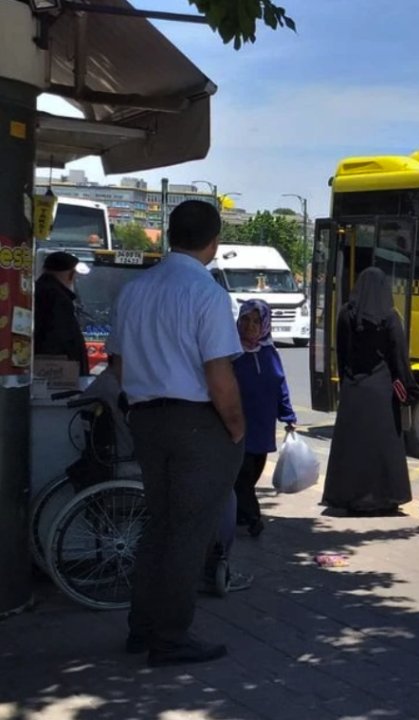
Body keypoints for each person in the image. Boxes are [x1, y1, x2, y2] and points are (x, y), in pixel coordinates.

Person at [107, 200, 245, 667]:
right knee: (189, 532)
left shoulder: (136, 289)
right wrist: (236, 427)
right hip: (196, 423)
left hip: (146, 418)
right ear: (214, 241)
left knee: (159, 525)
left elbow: (119, 364)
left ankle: (141, 627)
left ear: (169, 235)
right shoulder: (206, 292)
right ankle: (171, 637)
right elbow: (219, 375)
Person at [322, 267, 414, 515]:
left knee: (353, 447)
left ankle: (350, 497)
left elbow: (341, 353)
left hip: (354, 389)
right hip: (382, 391)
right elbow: (399, 359)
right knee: (383, 448)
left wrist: (346, 382)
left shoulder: (345, 314)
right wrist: (407, 387)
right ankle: (385, 497)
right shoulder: (391, 318)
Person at [231, 299, 297, 536]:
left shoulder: (269, 352)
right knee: (243, 473)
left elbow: (280, 384)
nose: (250, 326)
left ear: (265, 325)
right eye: (245, 320)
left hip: (263, 424)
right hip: (238, 422)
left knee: (253, 471)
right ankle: (253, 516)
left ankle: (239, 512)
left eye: (256, 321)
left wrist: (288, 414)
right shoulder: (231, 351)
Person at [33, 251, 89, 375]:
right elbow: (62, 335)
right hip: (56, 368)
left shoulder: (39, 290)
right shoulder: (58, 297)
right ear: (71, 274)